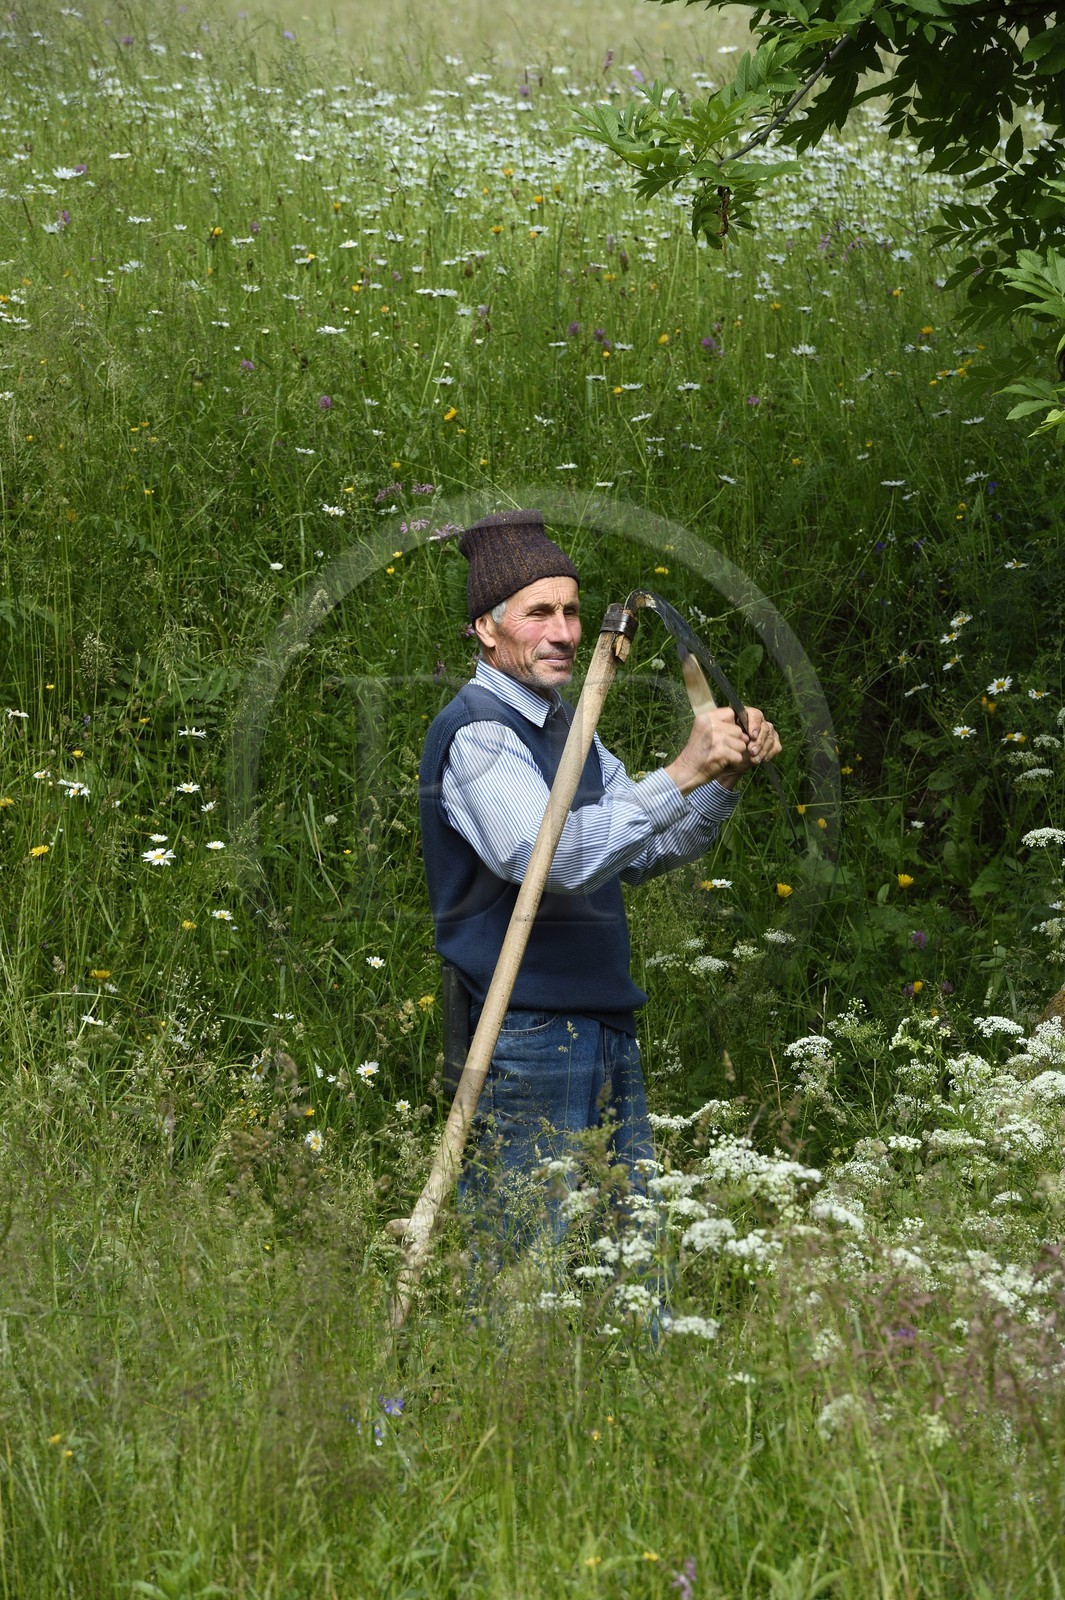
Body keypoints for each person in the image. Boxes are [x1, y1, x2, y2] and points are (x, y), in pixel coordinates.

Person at [418, 508, 781, 1254]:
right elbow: (553, 861)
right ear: (486, 629)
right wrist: (680, 768)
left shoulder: (568, 728)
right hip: (521, 1031)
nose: (563, 632)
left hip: (602, 1022)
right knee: (526, 1261)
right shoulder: (479, 734)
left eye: (573, 611)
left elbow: (646, 849)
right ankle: (503, 1375)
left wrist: (719, 778)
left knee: (628, 1256)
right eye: (538, 613)